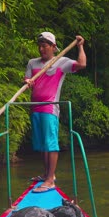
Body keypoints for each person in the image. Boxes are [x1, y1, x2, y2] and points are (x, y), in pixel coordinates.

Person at [24, 32, 86, 193]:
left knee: (50, 143)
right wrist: (28, 81)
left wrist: (80, 46)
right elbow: (28, 79)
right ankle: (47, 175)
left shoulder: (61, 62)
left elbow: (82, 64)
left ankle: (50, 180)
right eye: (40, 45)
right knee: (42, 143)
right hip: (34, 106)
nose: (41, 49)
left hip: (50, 107)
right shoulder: (32, 63)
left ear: (53, 47)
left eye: (45, 46)